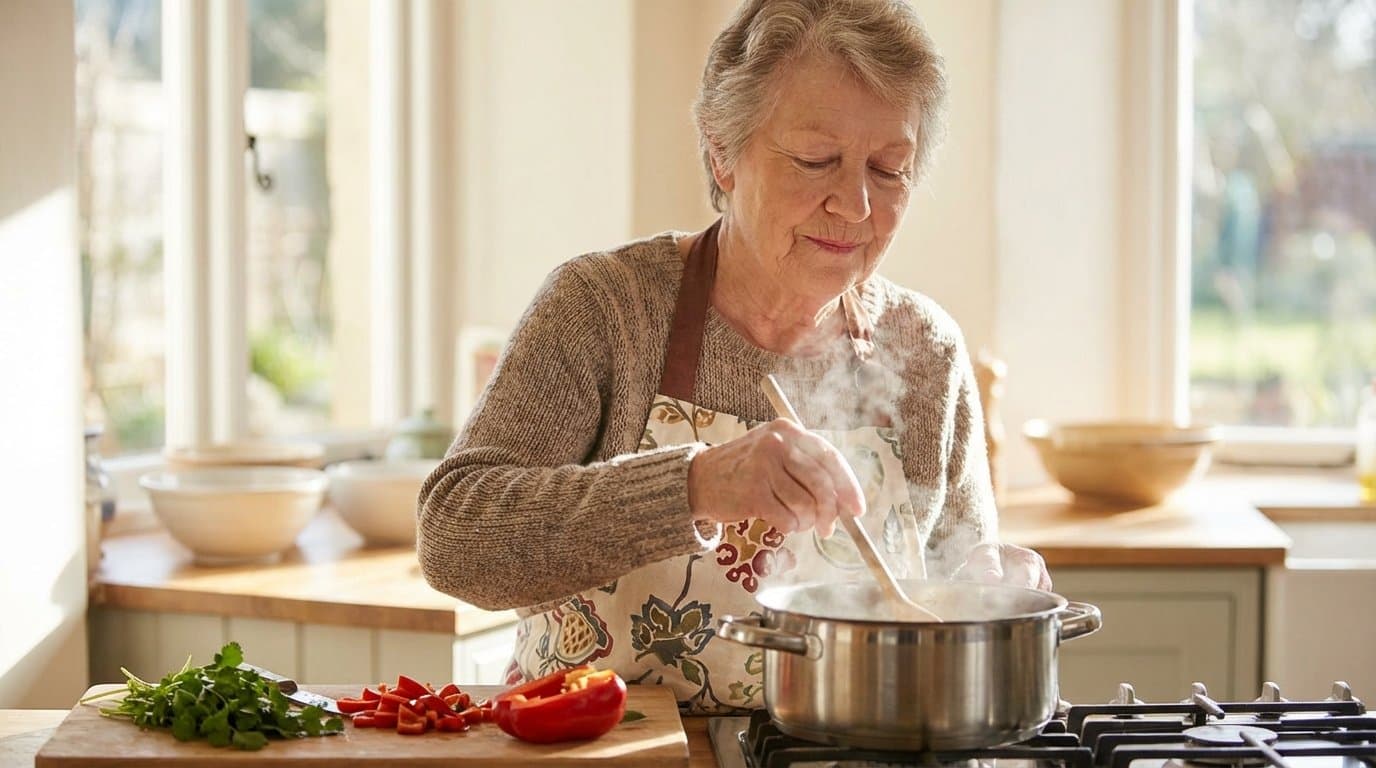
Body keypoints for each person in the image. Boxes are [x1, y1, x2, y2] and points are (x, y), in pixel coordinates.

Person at [418, 0, 1050, 714]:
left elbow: (960, 570)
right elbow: (454, 538)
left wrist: (992, 587)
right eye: (817, 160)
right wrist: (692, 486)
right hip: (617, 758)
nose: (856, 204)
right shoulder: (606, 307)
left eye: (890, 168)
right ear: (722, 149)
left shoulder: (926, 350)